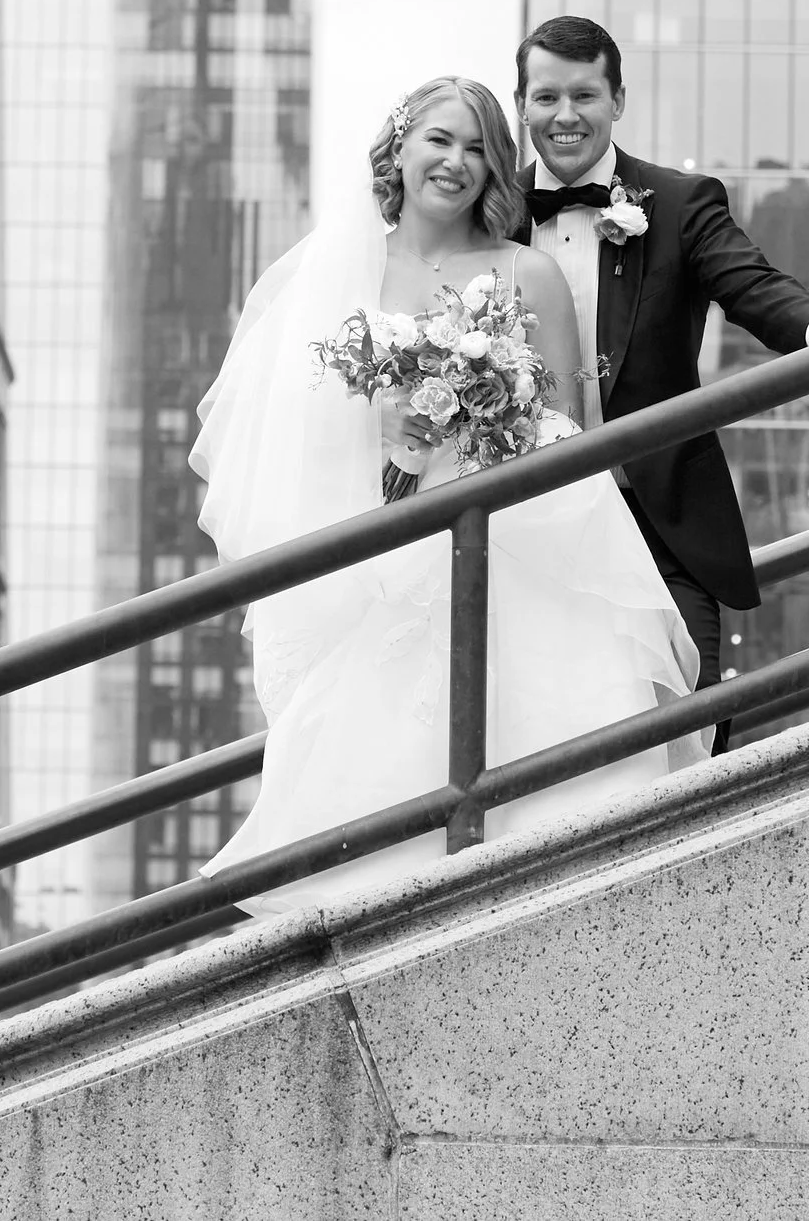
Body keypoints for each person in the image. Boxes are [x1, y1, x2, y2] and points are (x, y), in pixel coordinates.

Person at [191, 76, 706, 917]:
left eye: (477, 147)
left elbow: (568, 430)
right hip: (389, 548)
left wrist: (486, 417)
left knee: (558, 762)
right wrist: (393, 441)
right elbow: (293, 436)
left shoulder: (525, 272)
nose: (457, 162)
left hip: (521, 540)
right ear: (400, 147)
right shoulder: (335, 275)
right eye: (440, 139)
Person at [514, 16, 809, 750]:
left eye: (584, 95)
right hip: (531, 535)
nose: (564, 116)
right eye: (545, 97)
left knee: (690, 729)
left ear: (618, 99)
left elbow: (755, 286)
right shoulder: (494, 219)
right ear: (521, 104)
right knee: (546, 742)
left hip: (659, 517)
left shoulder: (681, 204)